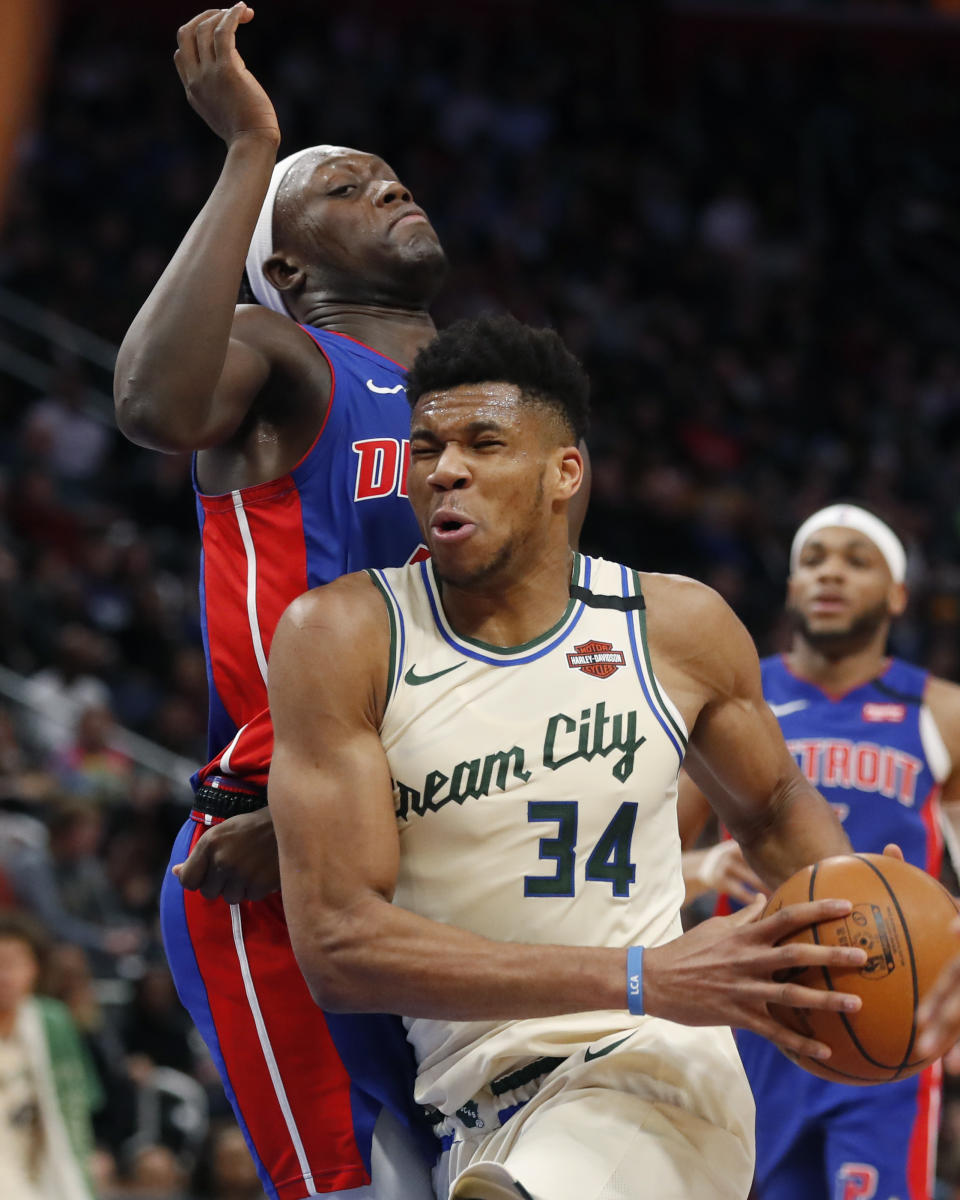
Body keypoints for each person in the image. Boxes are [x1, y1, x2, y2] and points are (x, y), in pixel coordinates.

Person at [263, 312, 912, 1200]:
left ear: (564, 472)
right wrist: (644, 974)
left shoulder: (675, 626)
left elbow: (770, 805)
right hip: (469, 1113)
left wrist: (872, 940)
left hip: (650, 1079)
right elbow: (340, 948)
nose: (446, 469)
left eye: (484, 443)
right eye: (426, 447)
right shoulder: (342, 637)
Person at [113, 6, 450, 1197]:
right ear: (292, 264)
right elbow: (153, 405)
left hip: (449, 838)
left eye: (393, 180)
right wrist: (249, 154)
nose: (391, 190)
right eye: (350, 189)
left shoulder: (490, 406)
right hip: (274, 853)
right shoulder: (290, 358)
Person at [677, 502, 960, 1200]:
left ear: (897, 594)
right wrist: (702, 868)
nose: (831, 572)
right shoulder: (731, 706)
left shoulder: (940, 712)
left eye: (856, 561)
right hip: (752, 1014)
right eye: (814, 560)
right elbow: (641, 857)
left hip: (891, 1013)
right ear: (792, 587)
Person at [0, 910, 102, 1200]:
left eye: (13, 963)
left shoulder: (52, 1022)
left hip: (39, 1162)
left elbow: (79, 1105)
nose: (4, 975)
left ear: (33, 969)